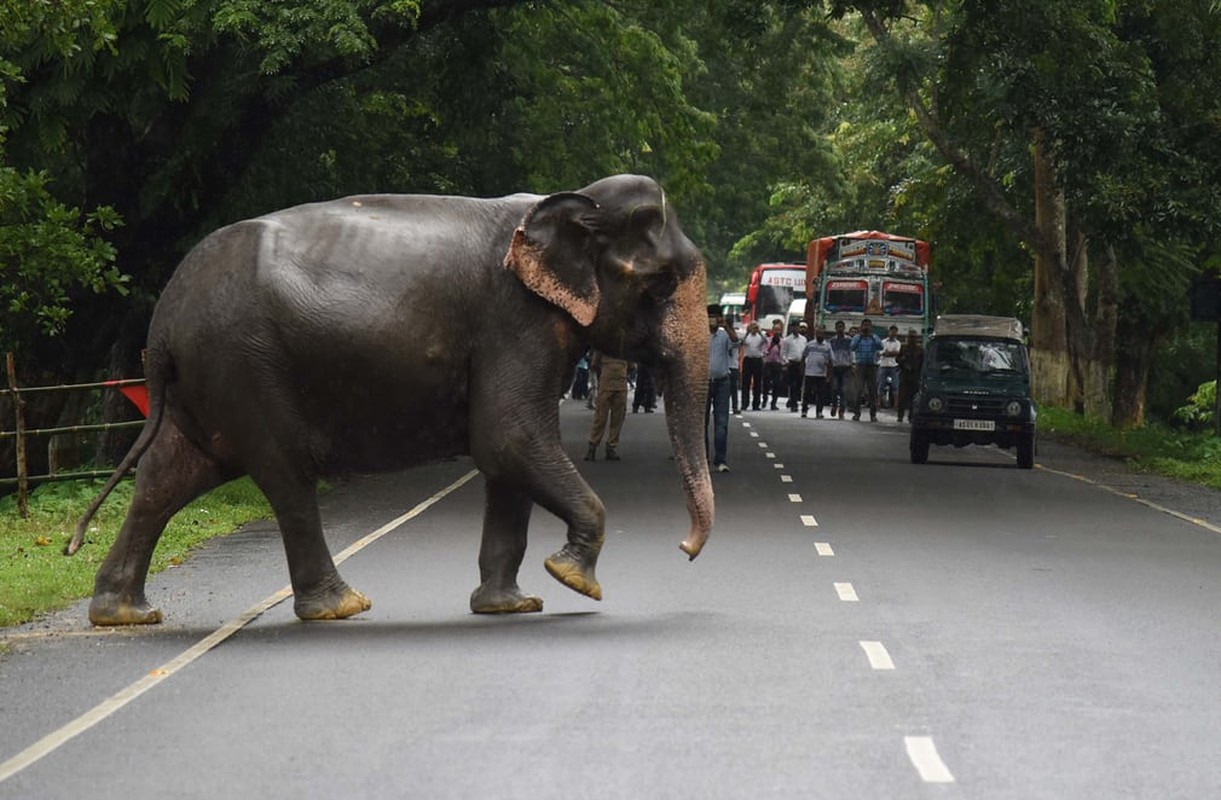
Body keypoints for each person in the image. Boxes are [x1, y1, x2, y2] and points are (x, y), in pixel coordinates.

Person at [705, 303, 738, 472]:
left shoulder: (724, 335)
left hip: (722, 382)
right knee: (702, 423)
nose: (713, 320)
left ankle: (721, 459)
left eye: (716, 317)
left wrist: (727, 326)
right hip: (703, 383)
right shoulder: (699, 335)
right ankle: (703, 459)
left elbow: (735, 342)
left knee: (722, 423)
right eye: (710, 316)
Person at [585, 352, 629, 461]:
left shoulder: (626, 344)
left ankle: (610, 447)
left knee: (617, 418)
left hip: (619, 384)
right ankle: (593, 446)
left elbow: (632, 365)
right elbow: (594, 363)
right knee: (600, 417)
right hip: (608, 383)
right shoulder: (603, 342)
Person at [850, 317, 883, 421]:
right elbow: (852, 347)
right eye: (864, 325)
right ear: (861, 326)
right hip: (860, 366)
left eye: (868, 325)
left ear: (871, 327)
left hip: (872, 367)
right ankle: (856, 414)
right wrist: (860, 336)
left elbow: (880, 346)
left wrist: (872, 336)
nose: (866, 327)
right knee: (858, 390)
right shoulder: (857, 337)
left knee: (872, 391)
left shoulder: (875, 337)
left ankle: (873, 415)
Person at [800, 326, 833, 418]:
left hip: (821, 373)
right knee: (807, 393)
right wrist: (802, 369)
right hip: (810, 372)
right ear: (815, 334)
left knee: (821, 393)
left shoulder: (827, 346)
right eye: (818, 333)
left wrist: (829, 374)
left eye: (821, 333)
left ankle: (819, 411)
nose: (820, 335)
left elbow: (830, 361)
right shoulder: (810, 345)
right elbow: (803, 357)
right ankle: (804, 411)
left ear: (824, 335)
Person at [896, 328, 924, 423]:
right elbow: (897, 360)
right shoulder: (904, 348)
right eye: (910, 337)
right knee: (902, 397)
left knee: (913, 398)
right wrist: (903, 360)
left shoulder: (920, 350)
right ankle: (900, 416)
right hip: (904, 375)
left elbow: (923, 363)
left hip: (915, 376)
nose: (912, 339)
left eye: (914, 337)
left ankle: (911, 416)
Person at [739, 320, 767, 411]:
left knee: (757, 383)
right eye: (752, 326)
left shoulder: (760, 336)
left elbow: (765, 341)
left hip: (758, 360)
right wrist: (747, 332)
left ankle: (756, 404)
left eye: (755, 326)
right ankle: (744, 403)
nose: (754, 328)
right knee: (745, 382)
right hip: (748, 360)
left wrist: (759, 332)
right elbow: (742, 342)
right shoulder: (747, 336)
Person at [827, 320, 853, 420]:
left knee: (843, 390)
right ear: (836, 328)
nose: (840, 329)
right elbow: (829, 353)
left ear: (844, 328)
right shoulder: (832, 341)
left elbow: (851, 353)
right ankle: (834, 405)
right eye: (838, 327)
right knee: (834, 388)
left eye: (842, 326)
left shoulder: (849, 340)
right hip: (835, 367)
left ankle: (841, 410)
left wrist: (852, 364)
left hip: (846, 367)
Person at [781, 321, 808, 412]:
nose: (796, 329)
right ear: (791, 328)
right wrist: (786, 362)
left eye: (797, 327)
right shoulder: (787, 340)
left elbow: (805, 352)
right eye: (794, 327)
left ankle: (794, 400)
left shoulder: (803, 339)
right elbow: (783, 353)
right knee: (792, 384)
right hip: (791, 363)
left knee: (799, 385)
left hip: (800, 364)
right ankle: (794, 403)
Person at [878, 325, 902, 409]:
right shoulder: (883, 342)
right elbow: (880, 352)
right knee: (880, 384)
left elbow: (897, 353)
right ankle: (879, 403)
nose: (893, 333)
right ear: (889, 332)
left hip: (893, 365)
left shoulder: (898, 343)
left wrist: (888, 353)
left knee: (895, 385)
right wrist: (889, 353)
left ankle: (896, 404)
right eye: (892, 331)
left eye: (895, 331)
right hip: (883, 365)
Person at [762, 319, 784, 410]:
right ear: (772, 330)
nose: (777, 332)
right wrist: (771, 346)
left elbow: (783, 354)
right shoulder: (768, 340)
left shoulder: (783, 341)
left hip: (777, 364)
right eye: (775, 330)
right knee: (766, 383)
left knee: (776, 384)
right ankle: (765, 398)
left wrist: (779, 346)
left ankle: (773, 403)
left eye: (778, 330)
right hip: (768, 364)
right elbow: (764, 352)